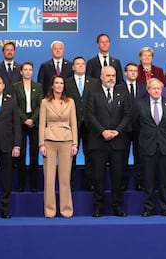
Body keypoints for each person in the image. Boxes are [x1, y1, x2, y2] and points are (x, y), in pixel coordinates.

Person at [86, 66, 131, 217]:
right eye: (108, 76)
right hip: (98, 142)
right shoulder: (93, 93)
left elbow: (127, 115)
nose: (111, 78)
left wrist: (117, 131)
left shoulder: (123, 94)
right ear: (101, 77)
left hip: (118, 142)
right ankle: (98, 207)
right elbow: (90, 115)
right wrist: (102, 131)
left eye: (113, 75)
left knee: (117, 177)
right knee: (98, 177)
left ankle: (117, 207)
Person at [137, 78, 166, 216]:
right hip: (147, 146)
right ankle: (148, 208)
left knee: (164, 180)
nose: (156, 90)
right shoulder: (139, 104)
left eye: (158, 88)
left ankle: (164, 208)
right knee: (148, 180)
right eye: (153, 88)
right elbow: (136, 125)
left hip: (165, 147)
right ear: (148, 90)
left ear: (162, 90)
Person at [39, 75, 78, 218]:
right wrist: (41, 143)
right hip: (49, 140)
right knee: (49, 178)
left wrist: (75, 143)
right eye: (56, 83)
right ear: (52, 85)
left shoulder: (70, 102)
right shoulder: (45, 102)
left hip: (67, 140)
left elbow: (73, 123)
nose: (59, 85)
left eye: (61, 83)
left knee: (65, 178)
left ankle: (66, 210)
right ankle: (50, 211)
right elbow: (42, 123)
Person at [65, 57, 100, 191]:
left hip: (91, 125)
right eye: (77, 64)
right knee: (70, 156)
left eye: (82, 64)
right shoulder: (66, 83)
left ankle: (90, 183)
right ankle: (70, 184)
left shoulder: (94, 82)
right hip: (71, 124)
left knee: (90, 155)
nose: (80, 66)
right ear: (73, 67)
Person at [11, 62, 43, 192]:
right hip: (20, 122)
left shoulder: (38, 86)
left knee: (34, 154)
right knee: (21, 155)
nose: (28, 72)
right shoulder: (15, 86)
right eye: (26, 69)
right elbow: (15, 105)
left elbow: (41, 104)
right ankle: (21, 184)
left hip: (34, 122)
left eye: (30, 69)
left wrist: (32, 119)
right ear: (21, 72)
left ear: (32, 72)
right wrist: (25, 119)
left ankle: (34, 184)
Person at [115, 62, 147, 191]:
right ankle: (123, 182)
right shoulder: (118, 88)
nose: (133, 73)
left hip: (140, 128)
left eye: (135, 71)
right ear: (125, 73)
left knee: (140, 157)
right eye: (130, 71)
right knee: (122, 157)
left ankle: (139, 182)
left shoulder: (144, 88)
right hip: (123, 128)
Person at [0, 75, 21, 218]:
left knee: (6, 180)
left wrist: (17, 145)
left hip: (7, 145)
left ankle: (5, 210)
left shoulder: (11, 102)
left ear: (4, 86)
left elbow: (17, 125)